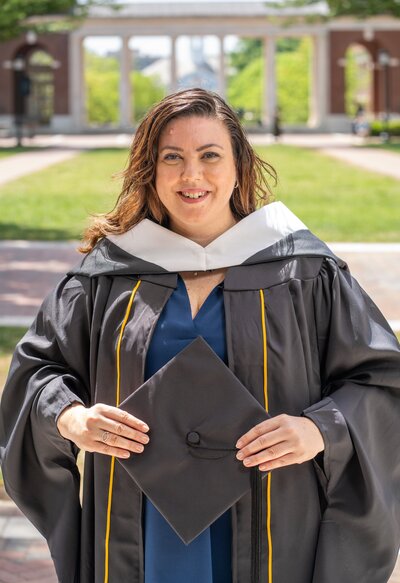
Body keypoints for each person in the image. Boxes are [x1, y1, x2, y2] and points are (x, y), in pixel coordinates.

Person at [1, 87, 399, 583]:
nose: (192, 176)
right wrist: (70, 417)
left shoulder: (303, 272)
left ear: (238, 166)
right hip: (136, 526)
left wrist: (320, 429)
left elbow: (382, 382)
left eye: (210, 155)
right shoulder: (109, 275)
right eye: (173, 158)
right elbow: (37, 373)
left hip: (272, 524)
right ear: (151, 169)